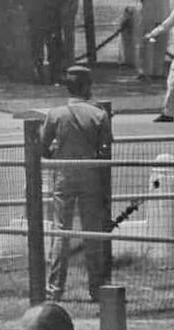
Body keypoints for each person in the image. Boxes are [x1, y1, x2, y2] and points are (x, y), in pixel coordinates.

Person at [41, 65, 112, 303]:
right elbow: (105, 151)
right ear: (87, 86)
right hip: (91, 174)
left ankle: (55, 289)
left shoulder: (55, 114)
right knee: (92, 233)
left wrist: (55, 153)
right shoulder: (99, 114)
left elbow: (42, 147)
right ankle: (96, 287)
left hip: (64, 173)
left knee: (61, 231)